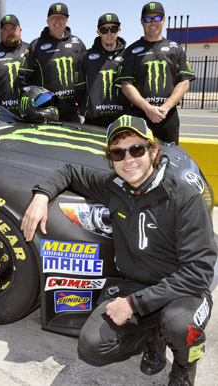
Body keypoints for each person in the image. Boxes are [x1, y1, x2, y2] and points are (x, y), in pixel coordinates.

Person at [21, 114, 216, 386]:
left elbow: (199, 274)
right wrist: (41, 195)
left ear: (153, 150)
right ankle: (153, 338)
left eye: (137, 149)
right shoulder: (114, 187)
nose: (129, 159)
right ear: (110, 160)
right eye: (118, 153)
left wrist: (133, 305)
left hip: (183, 291)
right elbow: (68, 170)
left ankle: (185, 366)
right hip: (135, 285)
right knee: (91, 345)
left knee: (180, 326)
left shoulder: (183, 197)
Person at [116, 2, 195, 145]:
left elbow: (184, 82)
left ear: (164, 20)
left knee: (170, 160)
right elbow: (126, 84)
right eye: (148, 19)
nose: (153, 22)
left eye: (157, 18)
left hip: (168, 116)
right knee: (140, 158)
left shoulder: (175, 49)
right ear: (141, 22)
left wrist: (165, 108)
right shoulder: (131, 51)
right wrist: (147, 108)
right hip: (140, 115)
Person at [17, 3, 86, 122]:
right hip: (46, 113)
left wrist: (81, 101)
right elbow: (23, 77)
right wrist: (34, 104)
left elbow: (86, 75)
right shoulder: (36, 45)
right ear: (47, 20)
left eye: (62, 17)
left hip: (73, 113)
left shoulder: (78, 43)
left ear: (67, 21)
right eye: (54, 17)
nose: (57, 21)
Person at [75, 13, 126, 127]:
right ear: (98, 32)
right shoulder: (86, 57)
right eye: (104, 30)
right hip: (94, 120)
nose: (109, 33)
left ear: (119, 30)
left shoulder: (128, 56)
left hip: (121, 120)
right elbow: (79, 90)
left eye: (113, 29)